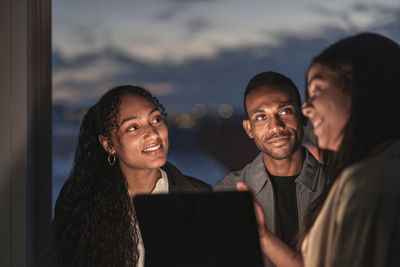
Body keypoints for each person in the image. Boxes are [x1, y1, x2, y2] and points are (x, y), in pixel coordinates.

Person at [239, 32, 400, 267]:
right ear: (249, 127)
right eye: (261, 117)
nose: (308, 109)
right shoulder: (376, 172)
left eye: (318, 92)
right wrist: (262, 235)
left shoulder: (369, 183)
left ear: (361, 94)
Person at [49, 85, 211, 267]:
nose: (153, 133)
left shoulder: (200, 197)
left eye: (156, 119)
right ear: (108, 144)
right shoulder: (81, 201)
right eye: (133, 127)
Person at [214, 71, 327, 266]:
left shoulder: (339, 188)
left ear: (304, 117)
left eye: (285, 111)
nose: (276, 127)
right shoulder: (227, 193)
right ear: (249, 129)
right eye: (261, 117)